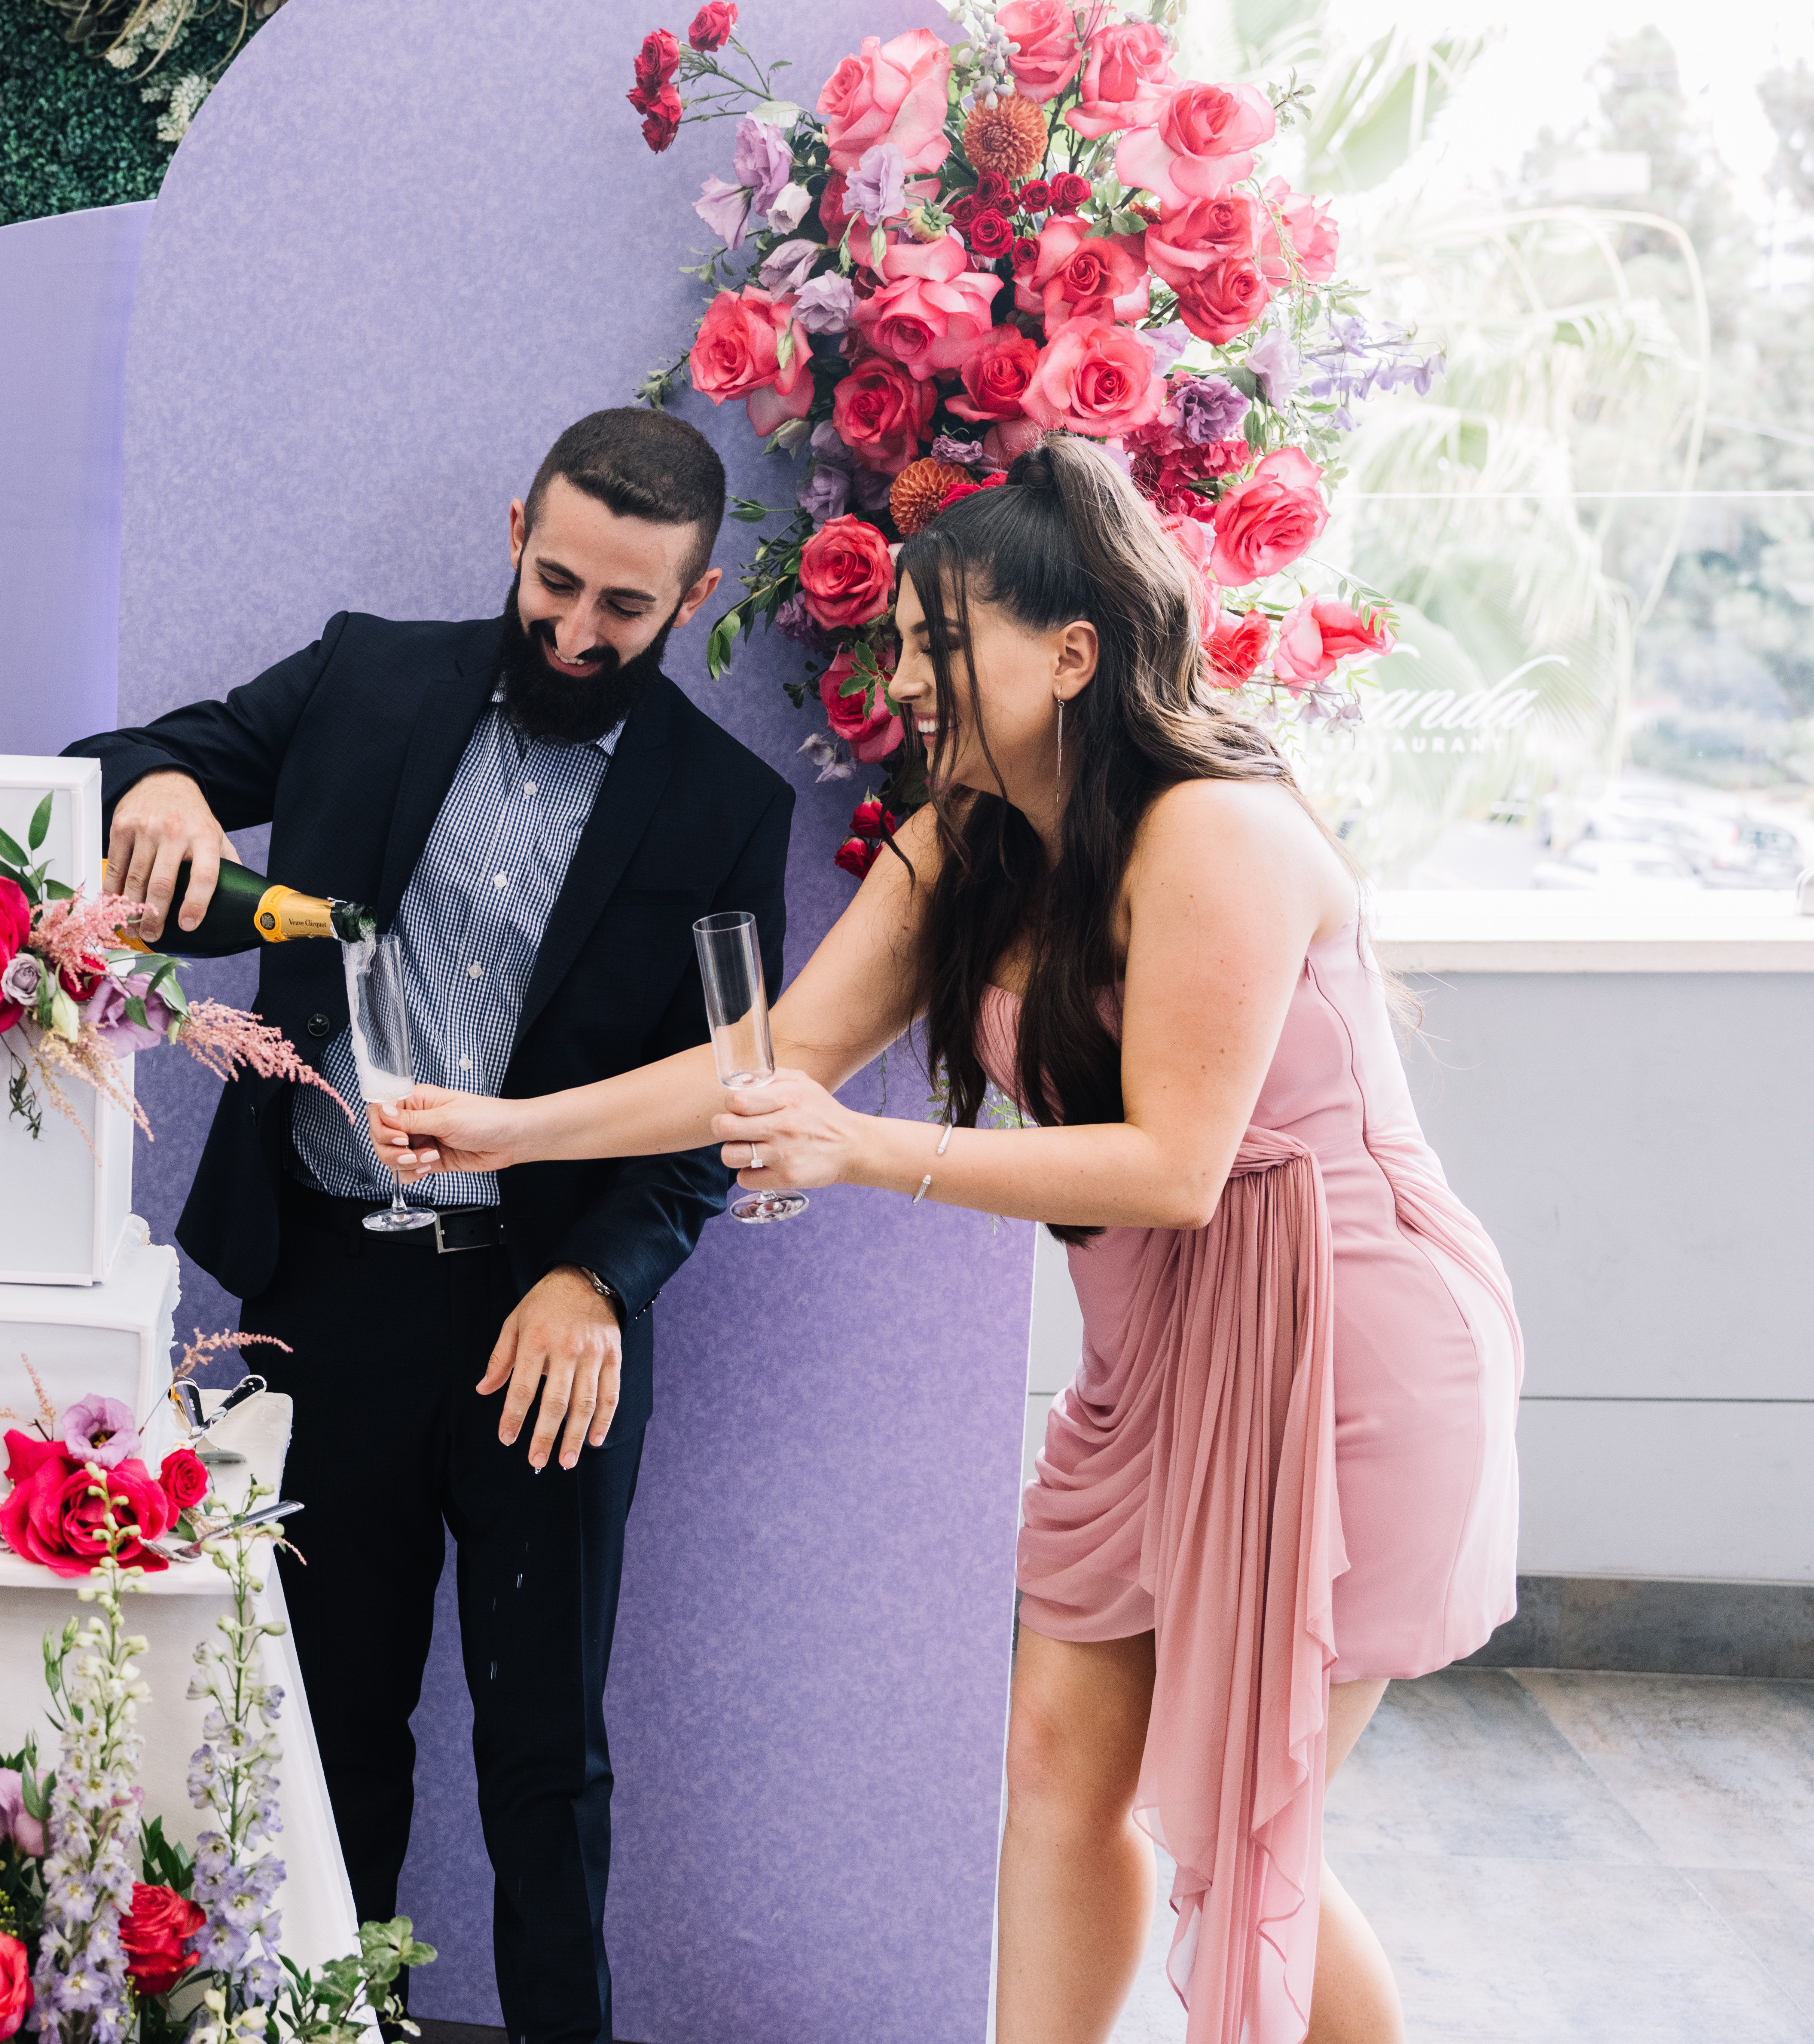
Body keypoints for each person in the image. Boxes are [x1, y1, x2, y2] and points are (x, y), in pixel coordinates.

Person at [377, 437, 1522, 2044]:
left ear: (1069, 652)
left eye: (937, 642)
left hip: (1340, 1344)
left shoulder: (1216, 832)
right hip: (1152, 1362)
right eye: (900, 644)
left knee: (1237, 1834)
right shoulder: (955, 842)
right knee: (1055, 1765)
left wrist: (864, 1155)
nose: (902, 679)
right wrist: (506, 1127)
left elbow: (1176, 1166)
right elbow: (762, 1062)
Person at [64, 407, 795, 2044]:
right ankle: (324, 2026)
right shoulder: (363, 675)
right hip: (326, 1296)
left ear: (688, 596)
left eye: (624, 608)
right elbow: (98, 767)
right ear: (514, 525)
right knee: (326, 1727)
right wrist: (171, 787)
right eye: (556, 582)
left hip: (547, 1327)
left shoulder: (722, 807)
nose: (575, 631)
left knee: (545, 1752)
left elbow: (721, 1099)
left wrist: (598, 1282)